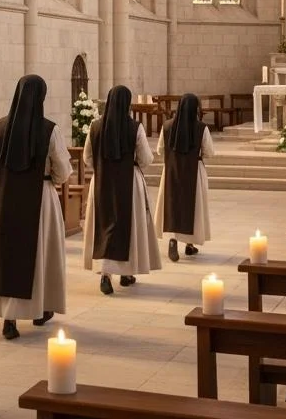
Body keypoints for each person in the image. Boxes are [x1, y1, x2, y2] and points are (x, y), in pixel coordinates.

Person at [0, 75, 71, 340]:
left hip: (5, 200)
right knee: (41, 255)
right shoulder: (50, 130)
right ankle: (40, 311)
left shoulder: (0, 128)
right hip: (41, 200)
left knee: (8, 254)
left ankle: (9, 318)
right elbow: (62, 172)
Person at [81, 85, 161, 294]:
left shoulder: (95, 126)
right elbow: (146, 158)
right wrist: (131, 168)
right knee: (130, 226)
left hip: (101, 182)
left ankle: (105, 275)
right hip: (129, 183)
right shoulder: (135, 127)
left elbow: (87, 157)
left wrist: (102, 166)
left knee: (104, 223)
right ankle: (126, 274)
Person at [153, 94, 213, 262]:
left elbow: (159, 150)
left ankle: (173, 240)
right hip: (194, 170)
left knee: (173, 203)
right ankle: (189, 244)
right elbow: (209, 152)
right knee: (194, 206)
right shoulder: (201, 128)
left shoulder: (167, 126)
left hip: (172, 170)